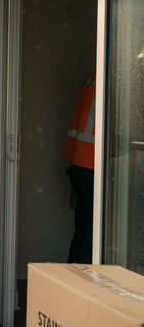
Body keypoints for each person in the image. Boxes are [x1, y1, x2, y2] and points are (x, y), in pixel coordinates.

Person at [63, 75, 96, 264]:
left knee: (82, 230)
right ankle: (85, 283)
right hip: (93, 166)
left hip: (79, 165)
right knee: (94, 233)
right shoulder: (110, 83)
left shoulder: (89, 81)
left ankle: (72, 279)